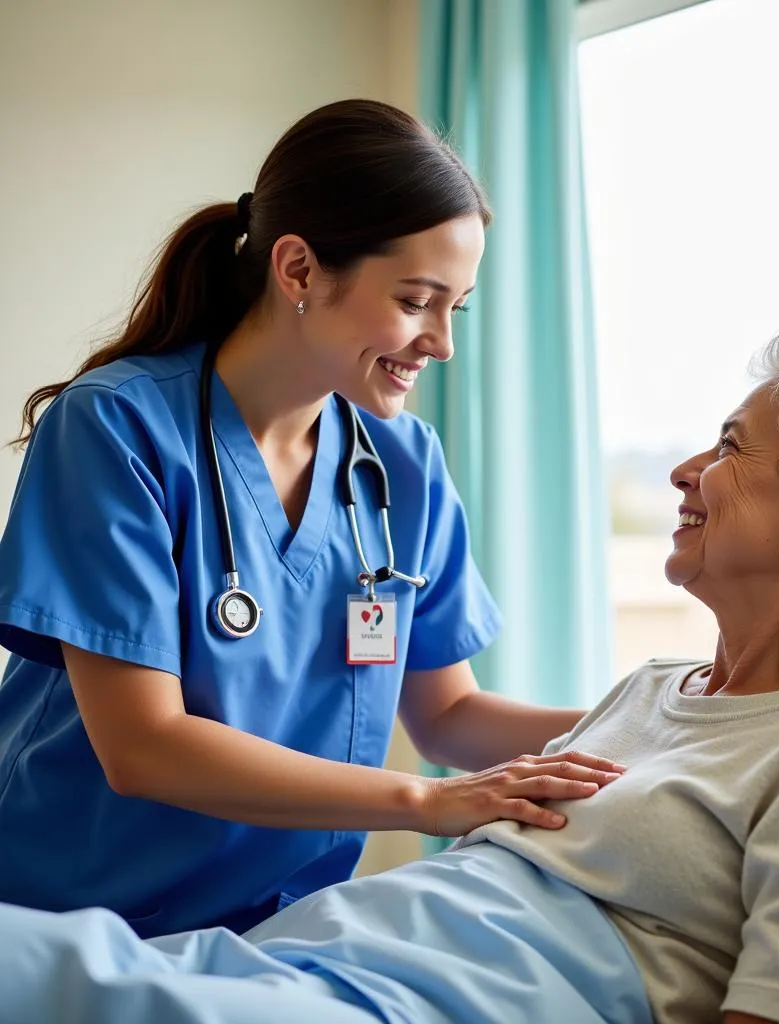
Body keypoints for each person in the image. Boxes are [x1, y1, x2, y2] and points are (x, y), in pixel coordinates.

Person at [0, 334, 779, 1024]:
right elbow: (460, 732)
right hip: (304, 948)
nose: (683, 470)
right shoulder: (651, 692)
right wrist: (434, 801)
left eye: (729, 445)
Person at [0, 99, 625, 940]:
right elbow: (141, 744)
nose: (440, 342)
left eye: (456, 308)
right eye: (415, 300)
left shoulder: (405, 465)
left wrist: (654, 726)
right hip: (67, 919)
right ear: (297, 269)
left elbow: (448, 716)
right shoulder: (115, 429)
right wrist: (426, 801)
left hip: (274, 928)